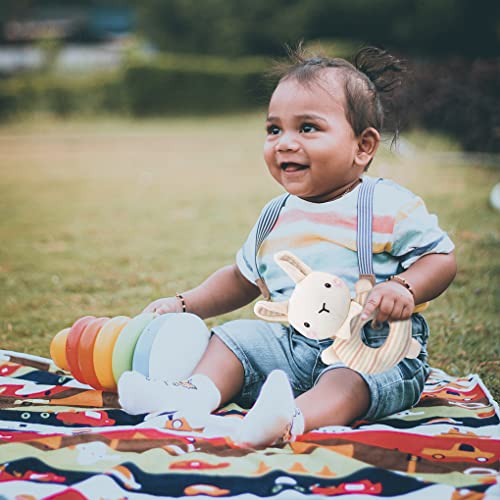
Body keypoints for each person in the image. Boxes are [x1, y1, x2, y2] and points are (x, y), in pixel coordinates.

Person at [118, 46, 457, 447]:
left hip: (372, 347)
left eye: (308, 128)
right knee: (233, 338)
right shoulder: (275, 214)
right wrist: (184, 302)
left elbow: (440, 257)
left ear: (363, 147)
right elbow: (242, 279)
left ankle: (290, 418)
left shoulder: (388, 205)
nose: (284, 143)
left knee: (349, 380)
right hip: (291, 345)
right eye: (274, 129)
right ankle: (193, 395)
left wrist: (404, 287)